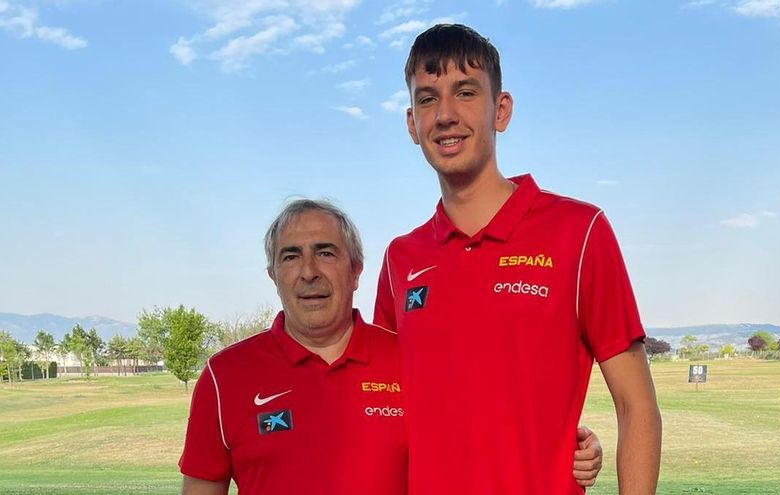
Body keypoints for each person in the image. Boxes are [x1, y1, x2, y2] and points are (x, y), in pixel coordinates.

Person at [374, 24, 662, 495]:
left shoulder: (580, 232)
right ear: (411, 124)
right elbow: (385, 416)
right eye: (428, 99)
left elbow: (638, 409)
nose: (445, 115)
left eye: (465, 93)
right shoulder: (400, 259)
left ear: (500, 110)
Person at [179, 200, 603, 494]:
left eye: (326, 253)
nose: (308, 272)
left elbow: (488, 430)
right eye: (290, 257)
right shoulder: (225, 376)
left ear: (357, 270)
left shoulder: (408, 358)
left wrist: (574, 448)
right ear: (273, 274)